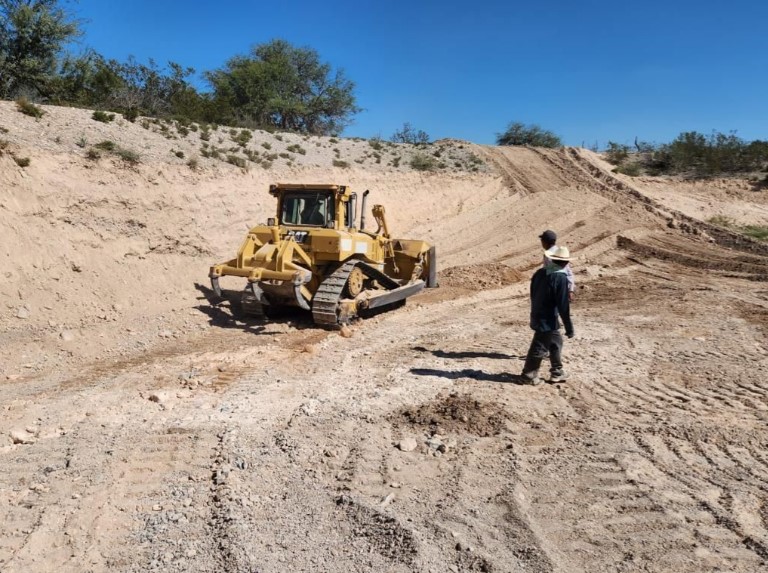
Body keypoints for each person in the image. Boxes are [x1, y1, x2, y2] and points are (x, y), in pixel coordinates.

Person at [521, 245, 574, 385]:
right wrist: (569, 327)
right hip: (547, 318)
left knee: (556, 341)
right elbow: (563, 305)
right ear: (566, 262)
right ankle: (528, 375)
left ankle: (557, 371)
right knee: (539, 345)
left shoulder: (539, 273)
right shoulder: (560, 277)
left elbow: (532, 294)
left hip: (538, 313)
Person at [540, 230, 575, 300]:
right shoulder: (559, 251)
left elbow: (550, 273)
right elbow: (568, 271)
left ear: (545, 242)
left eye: (542, 240)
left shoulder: (549, 255)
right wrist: (570, 289)